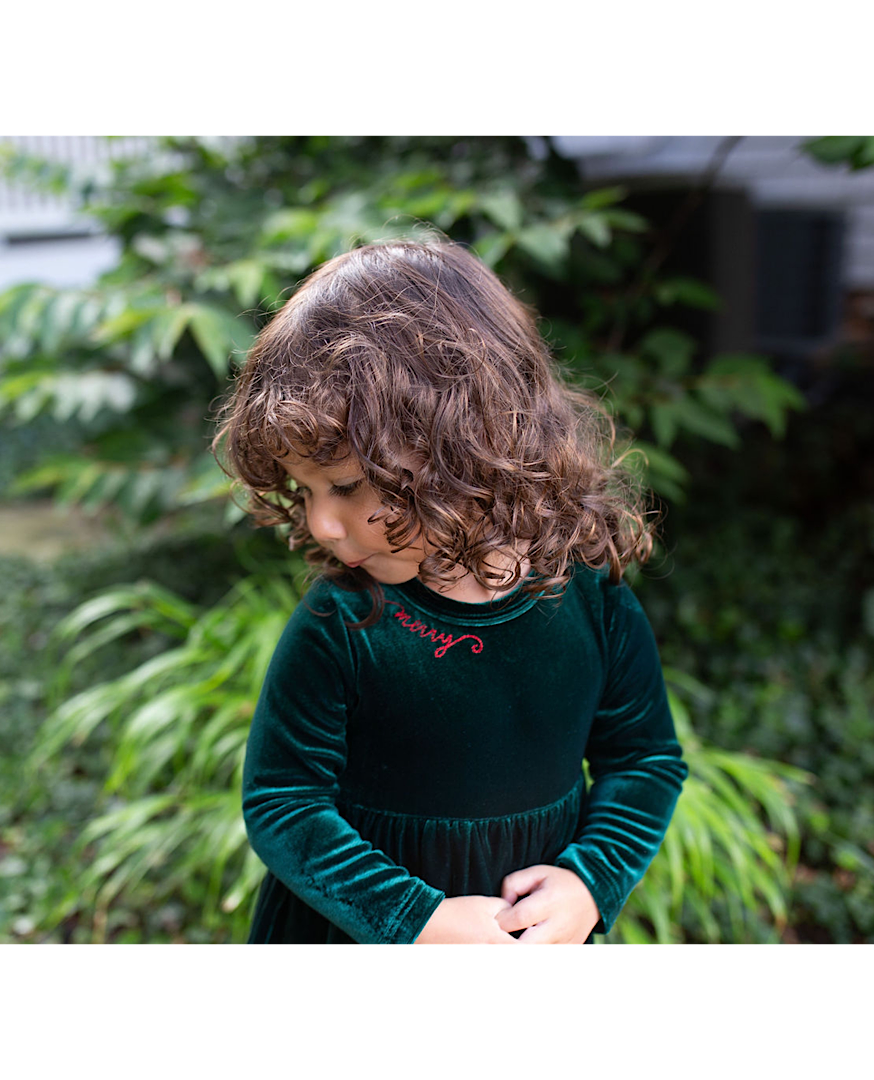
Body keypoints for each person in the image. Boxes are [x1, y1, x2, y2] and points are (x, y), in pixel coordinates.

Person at [216, 240, 688, 945]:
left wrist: (591, 881)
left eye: (344, 486)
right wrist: (420, 920)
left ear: (465, 440)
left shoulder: (589, 598)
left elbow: (644, 759)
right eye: (306, 492)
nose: (320, 522)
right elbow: (284, 802)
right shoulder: (342, 621)